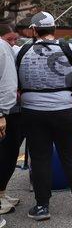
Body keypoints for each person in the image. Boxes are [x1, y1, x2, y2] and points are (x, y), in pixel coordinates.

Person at [17, 12, 72, 221]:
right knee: (71, 155)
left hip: (33, 112)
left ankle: (42, 206)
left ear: (34, 30)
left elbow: (15, 81)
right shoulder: (71, 49)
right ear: (54, 28)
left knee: (40, 158)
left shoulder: (22, 51)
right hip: (66, 109)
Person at [0, 21, 18, 221]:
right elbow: (7, 84)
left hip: (8, 111)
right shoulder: (2, 49)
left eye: (15, 39)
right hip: (5, 112)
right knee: (5, 155)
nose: (12, 43)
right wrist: (1, 113)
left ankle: (2, 193)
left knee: (9, 154)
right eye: (9, 39)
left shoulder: (7, 48)